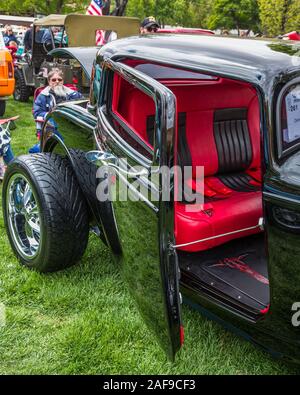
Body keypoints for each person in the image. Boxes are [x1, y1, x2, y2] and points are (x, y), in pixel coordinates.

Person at [29, 68, 83, 153]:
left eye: (59, 80)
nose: (57, 82)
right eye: (53, 80)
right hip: (51, 126)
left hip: (70, 124)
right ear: (49, 82)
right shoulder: (43, 96)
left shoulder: (72, 94)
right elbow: (37, 112)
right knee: (34, 151)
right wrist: (51, 115)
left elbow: (82, 105)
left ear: (63, 81)